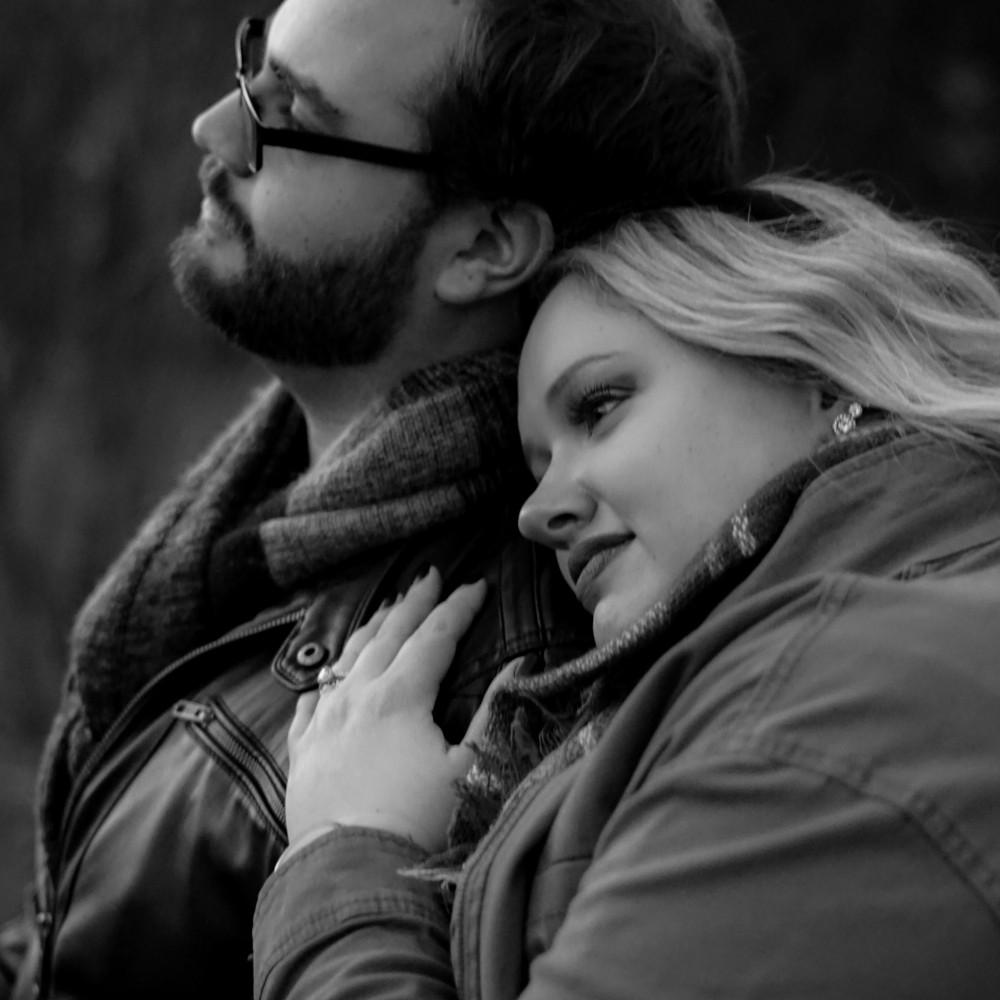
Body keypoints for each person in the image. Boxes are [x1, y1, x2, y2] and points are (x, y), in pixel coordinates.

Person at [0, 1, 747, 998]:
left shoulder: (491, 690)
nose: (214, 131)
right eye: (251, 68)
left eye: (291, 115)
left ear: (484, 244)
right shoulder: (259, 521)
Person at [258, 175, 1000, 998]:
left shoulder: (832, 712)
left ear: (816, 370)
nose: (536, 514)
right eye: (537, 468)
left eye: (599, 406)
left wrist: (349, 847)